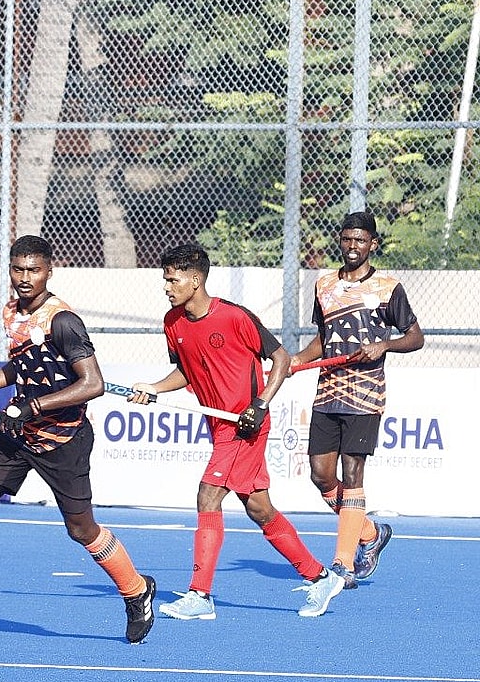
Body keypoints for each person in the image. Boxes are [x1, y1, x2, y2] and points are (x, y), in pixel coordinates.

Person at [0, 235, 156, 647]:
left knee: (81, 529)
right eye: (17, 269)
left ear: (49, 272)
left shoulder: (63, 322)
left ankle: (136, 590)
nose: (24, 278)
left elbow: (93, 384)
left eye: (33, 270)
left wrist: (34, 408)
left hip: (62, 439)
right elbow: (17, 368)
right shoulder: (11, 313)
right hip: (15, 434)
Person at [127, 243, 343, 620]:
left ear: (195, 280)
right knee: (259, 508)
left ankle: (200, 595)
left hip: (247, 427)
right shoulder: (172, 323)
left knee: (207, 497)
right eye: (165, 279)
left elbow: (280, 358)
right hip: (219, 426)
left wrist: (260, 404)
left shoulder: (234, 317)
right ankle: (320, 576)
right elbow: (187, 371)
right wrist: (154, 388)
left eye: (172, 279)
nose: (166, 286)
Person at [291, 212, 423, 588]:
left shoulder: (388, 287)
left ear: (372, 244)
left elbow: (415, 337)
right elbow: (324, 337)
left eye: (360, 240)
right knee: (320, 475)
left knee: (353, 474)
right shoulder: (324, 285)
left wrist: (385, 344)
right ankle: (368, 533)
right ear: (340, 240)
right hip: (327, 391)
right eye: (347, 239)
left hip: (365, 395)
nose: (353, 246)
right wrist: (300, 359)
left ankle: (342, 564)